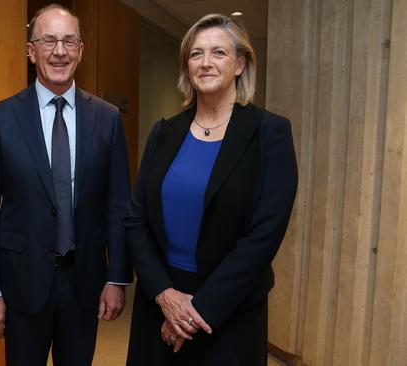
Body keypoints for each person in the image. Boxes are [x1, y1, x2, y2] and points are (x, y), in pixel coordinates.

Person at [125, 13, 298, 365]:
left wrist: (196, 311)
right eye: (195, 54)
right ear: (186, 65)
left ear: (240, 64)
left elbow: (263, 236)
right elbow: (135, 220)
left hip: (228, 308)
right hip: (159, 300)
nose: (205, 63)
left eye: (218, 52)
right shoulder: (164, 133)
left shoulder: (270, 134)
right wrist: (164, 294)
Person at [0, 4, 132, 366]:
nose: (59, 51)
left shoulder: (106, 119)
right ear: (31, 51)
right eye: (48, 41)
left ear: (81, 50)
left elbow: (118, 206)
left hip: (84, 283)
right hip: (21, 284)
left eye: (69, 41)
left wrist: (117, 277)